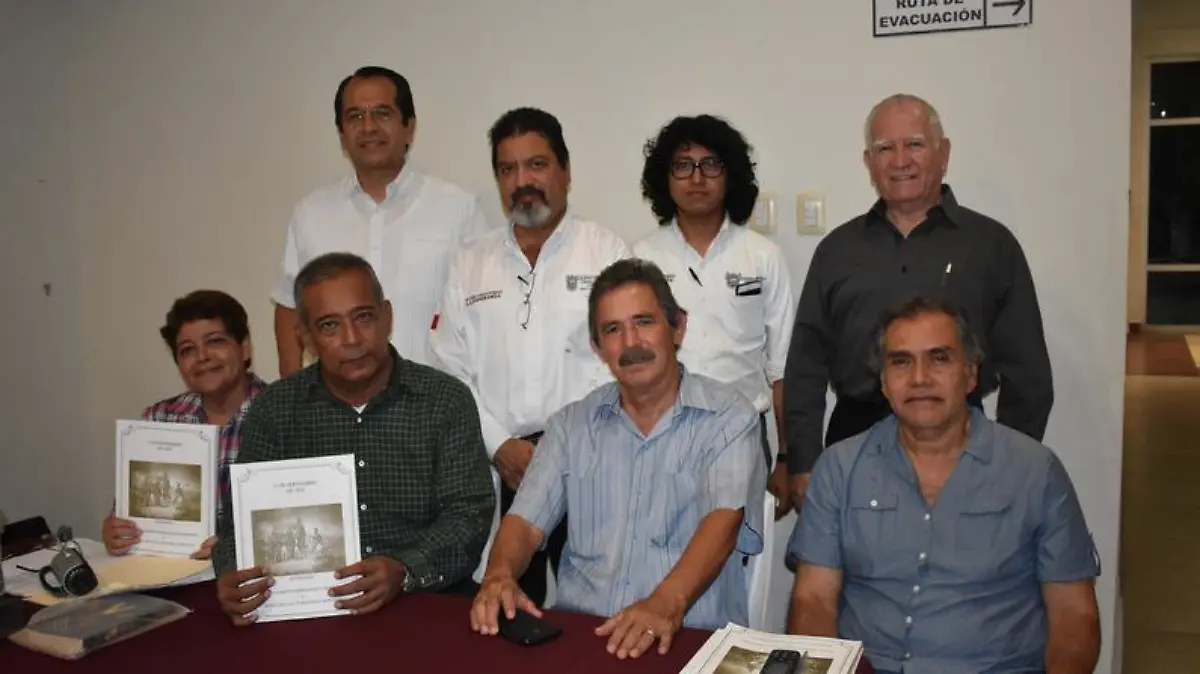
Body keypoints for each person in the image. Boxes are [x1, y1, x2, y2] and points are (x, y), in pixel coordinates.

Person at [470, 258, 766, 660]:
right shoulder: (571, 426)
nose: (630, 343)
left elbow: (724, 521)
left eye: (644, 322)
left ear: (678, 327)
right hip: (585, 639)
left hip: (690, 642)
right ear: (597, 347)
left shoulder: (728, 417)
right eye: (612, 330)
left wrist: (663, 604)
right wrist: (499, 574)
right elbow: (524, 521)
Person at [787, 296, 1099, 674]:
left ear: (970, 374)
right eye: (901, 361)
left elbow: (1074, 614)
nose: (920, 378)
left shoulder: (1036, 471)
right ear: (883, 382)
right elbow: (814, 599)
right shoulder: (839, 467)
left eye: (939, 358)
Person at [782, 93, 1053, 511]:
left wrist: (1011, 463)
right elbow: (806, 364)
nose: (900, 160)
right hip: (855, 440)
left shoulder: (991, 246)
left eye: (914, 144)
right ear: (868, 162)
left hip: (962, 442)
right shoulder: (836, 251)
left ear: (944, 153)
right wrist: (803, 462)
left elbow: (1028, 371)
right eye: (884, 148)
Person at [213, 253, 495, 625]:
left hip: (425, 602)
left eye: (363, 317)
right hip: (304, 613)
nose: (352, 339)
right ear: (306, 337)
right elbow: (237, 524)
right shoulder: (275, 409)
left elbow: (469, 516)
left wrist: (404, 569)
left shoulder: (444, 400)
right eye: (329, 325)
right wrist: (231, 574)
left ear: (387, 317)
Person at [429, 107, 628, 606]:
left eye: (536, 164)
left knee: (598, 609)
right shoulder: (469, 263)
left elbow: (627, 359)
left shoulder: (606, 252)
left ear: (565, 170)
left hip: (589, 460)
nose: (522, 181)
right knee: (506, 609)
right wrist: (499, 444)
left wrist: (564, 447)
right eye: (507, 169)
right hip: (502, 463)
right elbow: (449, 370)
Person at [272, 66, 490, 377]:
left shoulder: (458, 209)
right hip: (335, 401)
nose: (368, 127)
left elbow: (486, 312)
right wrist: (291, 394)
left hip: (431, 399)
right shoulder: (311, 214)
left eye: (382, 114)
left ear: (409, 127)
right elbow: (289, 308)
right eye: (355, 116)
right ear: (342, 135)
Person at [633, 114, 795, 518]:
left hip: (743, 433)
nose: (697, 177)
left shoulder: (763, 257)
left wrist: (786, 456)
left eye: (710, 164)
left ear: (730, 174)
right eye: (683, 165)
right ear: (665, 178)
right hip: (661, 435)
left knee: (740, 550)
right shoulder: (642, 258)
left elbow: (783, 371)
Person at [102, 290, 266, 559]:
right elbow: (130, 512)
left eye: (215, 341)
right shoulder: (159, 420)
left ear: (244, 347)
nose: (202, 356)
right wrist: (117, 530)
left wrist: (235, 545)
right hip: (170, 570)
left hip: (248, 574)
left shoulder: (282, 414)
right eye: (188, 349)